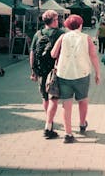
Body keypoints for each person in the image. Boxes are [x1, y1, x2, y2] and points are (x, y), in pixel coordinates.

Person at [50, 14, 101, 144]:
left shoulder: (63, 37)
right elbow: (93, 56)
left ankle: (68, 134)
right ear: (80, 25)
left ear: (67, 25)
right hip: (82, 74)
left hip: (64, 74)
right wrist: (97, 73)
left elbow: (53, 54)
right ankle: (82, 123)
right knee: (83, 100)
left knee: (66, 104)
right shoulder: (86, 38)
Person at [30, 10, 63, 139]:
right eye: (57, 19)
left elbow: (32, 52)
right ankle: (48, 126)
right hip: (55, 70)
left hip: (41, 70)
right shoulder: (60, 33)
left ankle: (49, 119)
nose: (58, 21)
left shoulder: (38, 34)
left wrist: (33, 70)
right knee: (53, 98)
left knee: (45, 97)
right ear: (53, 21)